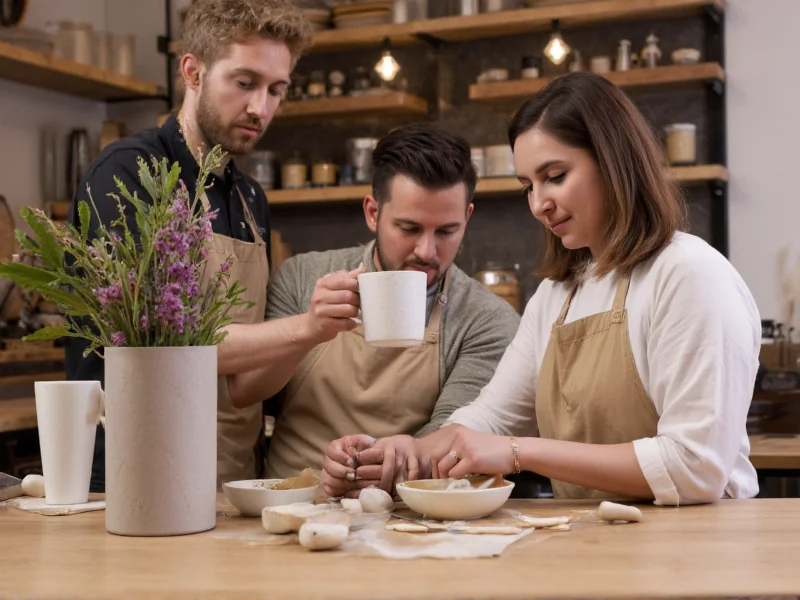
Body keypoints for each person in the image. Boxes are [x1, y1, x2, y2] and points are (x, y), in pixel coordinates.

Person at [323, 72, 761, 506]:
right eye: (528, 186)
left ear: (613, 161)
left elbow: (695, 468)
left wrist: (518, 452)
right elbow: (492, 418)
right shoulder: (556, 295)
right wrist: (410, 450)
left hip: (695, 538)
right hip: (599, 536)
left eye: (555, 176)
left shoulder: (689, 275)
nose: (538, 204)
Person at [65, 0, 312, 491]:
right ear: (193, 73)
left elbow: (243, 380)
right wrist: (305, 327)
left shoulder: (250, 199)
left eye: (275, 90)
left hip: (232, 481)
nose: (260, 108)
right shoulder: (128, 173)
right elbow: (163, 344)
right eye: (244, 83)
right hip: (131, 478)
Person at [227, 123, 520, 487]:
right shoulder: (303, 276)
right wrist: (307, 330)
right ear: (373, 213)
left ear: (467, 218)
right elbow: (246, 393)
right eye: (409, 228)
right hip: (288, 502)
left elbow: (453, 435)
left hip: (408, 507)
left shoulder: (487, 319)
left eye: (447, 231)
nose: (427, 251)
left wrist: (375, 463)